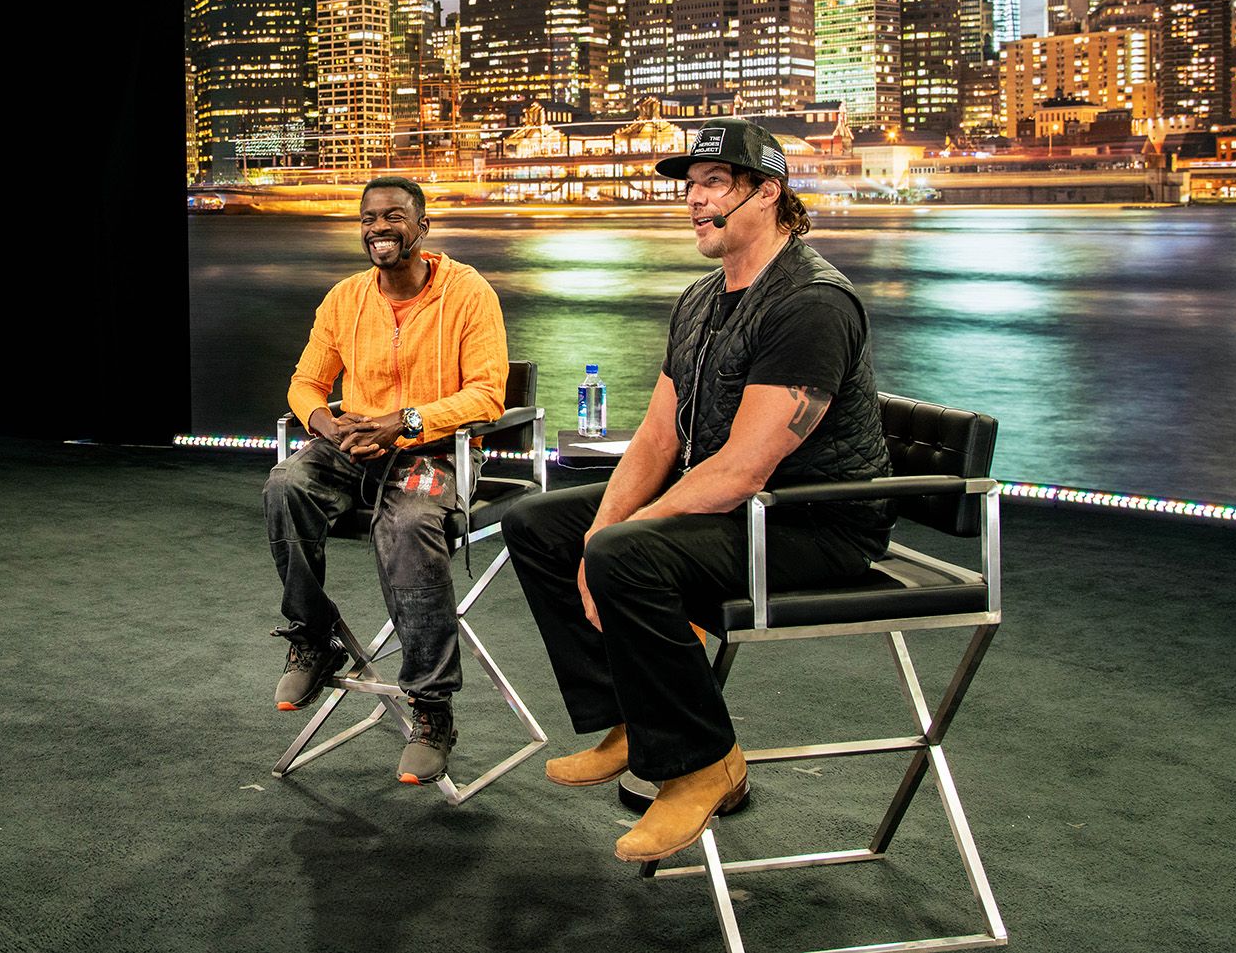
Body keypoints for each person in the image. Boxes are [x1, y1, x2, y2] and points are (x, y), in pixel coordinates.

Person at [503, 118, 892, 863]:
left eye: (713, 183)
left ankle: (704, 762)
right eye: (689, 187)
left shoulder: (810, 302)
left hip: (814, 522)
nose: (693, 200)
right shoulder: (699, 299)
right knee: (538, 524)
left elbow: (743, 470)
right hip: (743, 506)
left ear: (768, 192)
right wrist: (593, 533)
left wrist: (613, 540)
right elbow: (657, 439)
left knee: (624, 553)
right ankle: (628, 718)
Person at [264, 175, 508, 785]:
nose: (379, 227)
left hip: (430, 452)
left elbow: (487, 394)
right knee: (286, 484)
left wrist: (406, 421)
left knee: (410, 522)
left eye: (394, 216)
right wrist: (323, 423)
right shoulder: (344, 298)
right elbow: (305, 384)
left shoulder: (468, 293)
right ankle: (313, 636)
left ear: (422, 228)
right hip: (354, 446)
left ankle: (431, 708)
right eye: (369, 218)